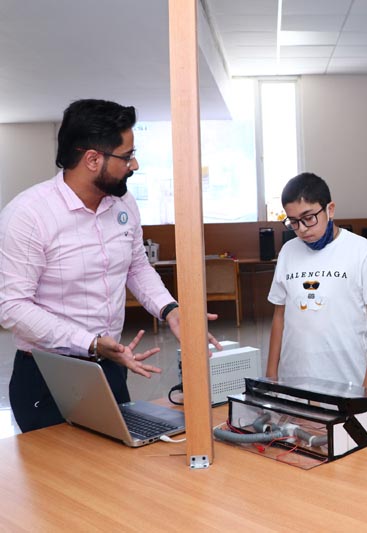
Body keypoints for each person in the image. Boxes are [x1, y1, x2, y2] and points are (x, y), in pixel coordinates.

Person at [0, 98, 219, 433]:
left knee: (114, 475)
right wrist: (87, 342)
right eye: (127, 155)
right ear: (92, 159)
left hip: (111, 365)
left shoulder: (124, 203)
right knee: (57, 482)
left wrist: (170, 309)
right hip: (48, 376)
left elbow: (136, 267)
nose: (135, 164)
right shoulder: (29, 215)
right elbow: (12, 307)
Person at [267, 172, 367, 389]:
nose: (303, 229)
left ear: (330, 209)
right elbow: (280, 315)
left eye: (309, 218)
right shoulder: (288, 251)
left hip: (347, 378)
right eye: (294, 222)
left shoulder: (361, 250)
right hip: (294, 377)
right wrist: (271, 374)